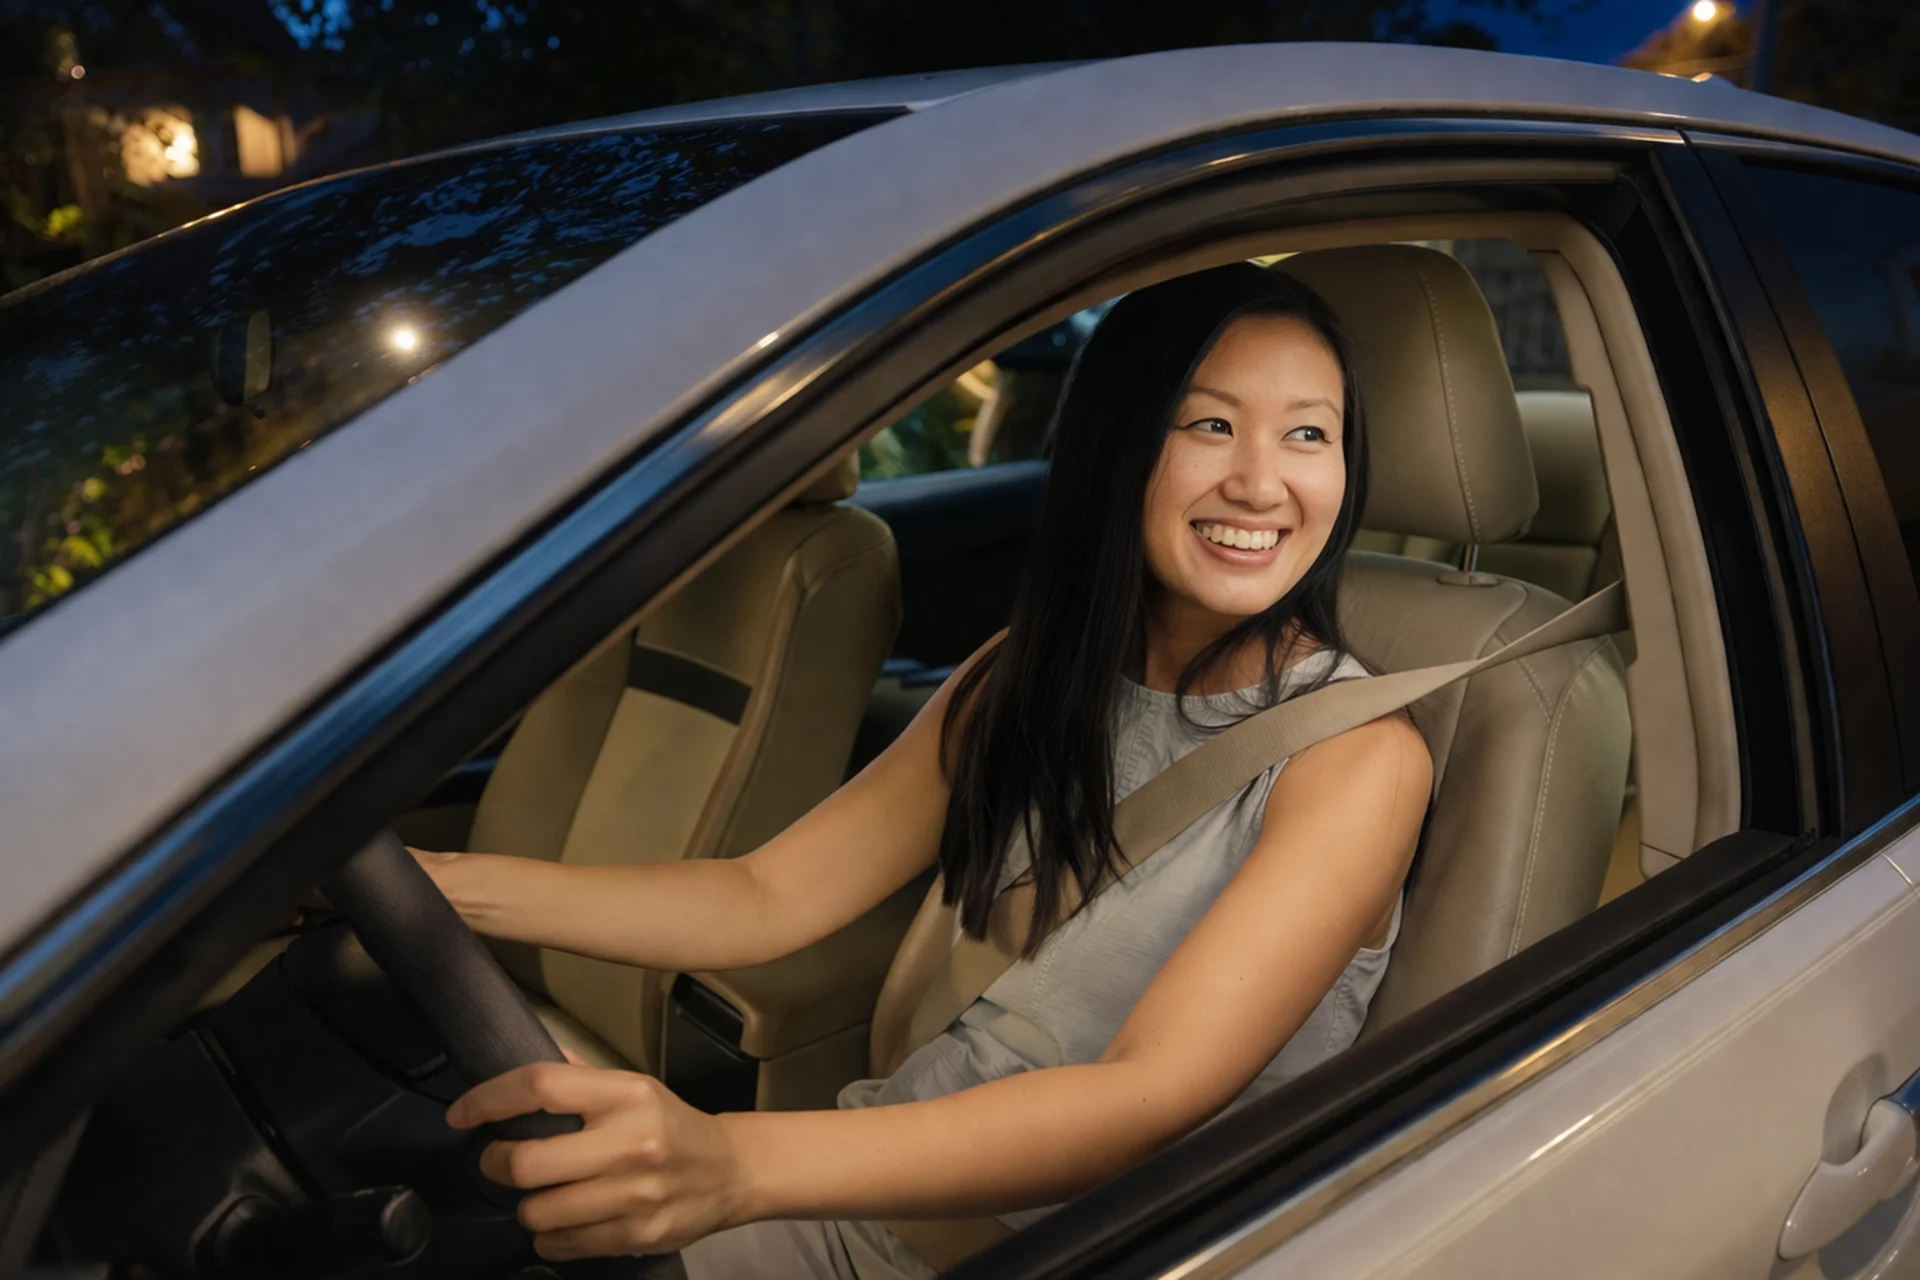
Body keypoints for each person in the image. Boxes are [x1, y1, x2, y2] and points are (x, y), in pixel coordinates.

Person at [418, 262, 1432, 1279]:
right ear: (1121, 440)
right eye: (1209, 424)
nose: (1262, 481)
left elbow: (1149, 1091)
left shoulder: (1355, 759)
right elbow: (762, 894)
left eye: (1309, 432)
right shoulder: (1026, 675)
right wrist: (434, 885)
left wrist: (732, 1157)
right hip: (873, 1198)